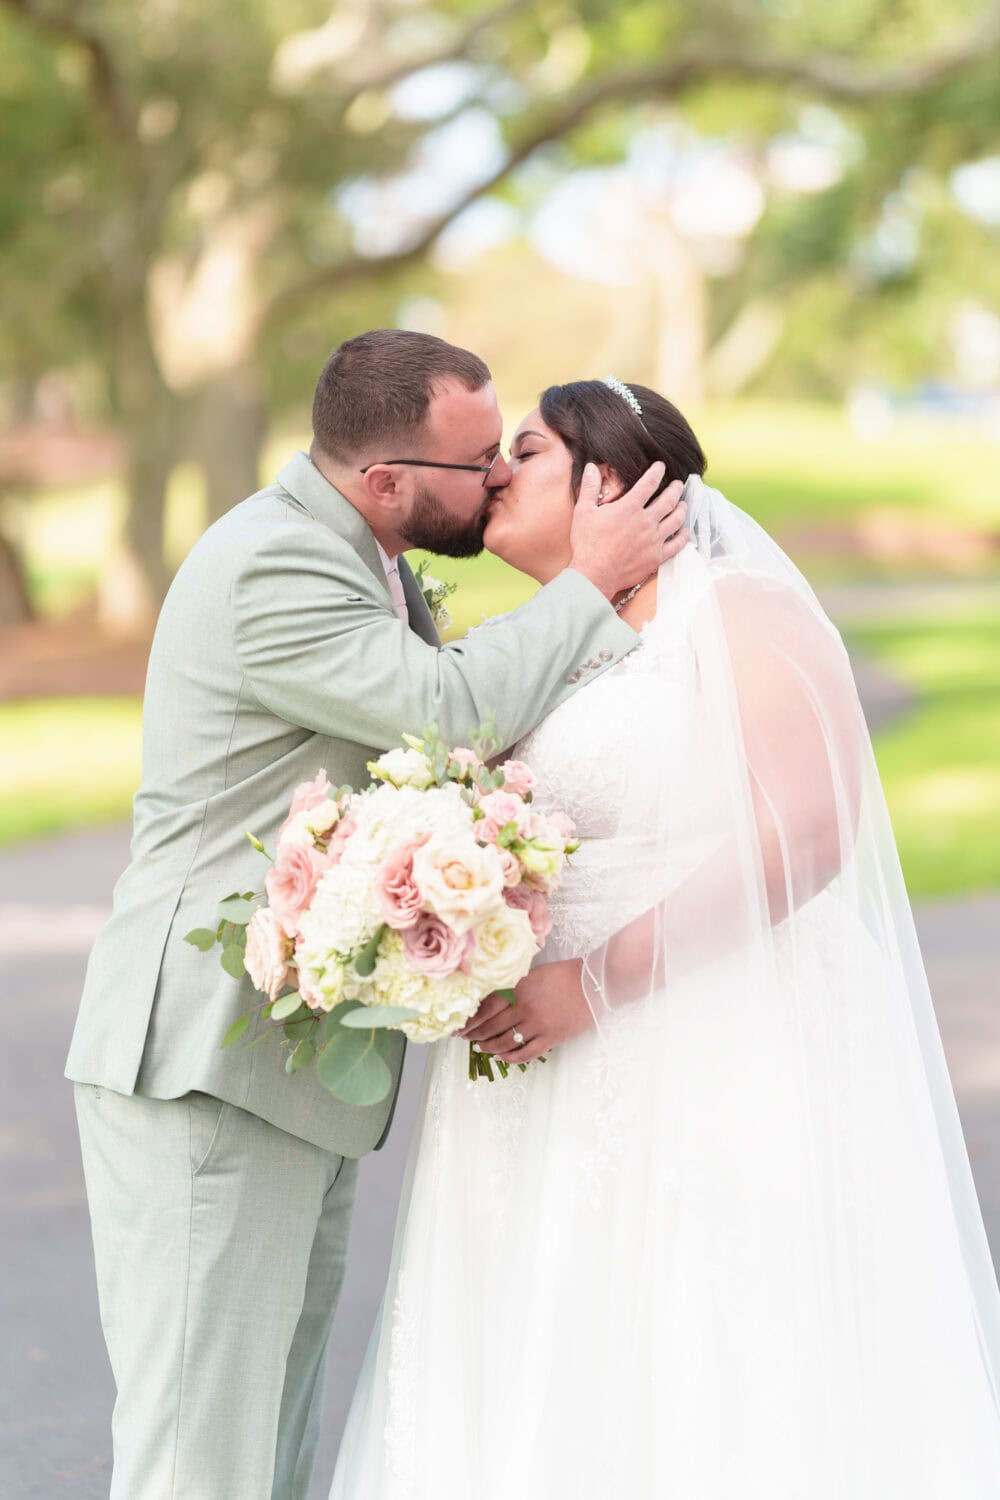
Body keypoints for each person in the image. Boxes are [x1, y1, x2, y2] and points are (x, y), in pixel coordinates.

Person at [329, 377, 1000, 1498]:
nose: (494, 470)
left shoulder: (733, 608)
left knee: (708, 1332)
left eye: (527, 451)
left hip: (716, 1031)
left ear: (612, 481)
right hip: (530, 1057)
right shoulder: (523, 646)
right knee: (543, 1334)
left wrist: (589, 986)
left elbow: (809, 830)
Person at [65, 333, 690, 1500]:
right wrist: (587, 582)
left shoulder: (368, 558)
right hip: (205, 1062)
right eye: (476, 463)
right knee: (197, 1458)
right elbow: (441, 714)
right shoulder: (274, 565)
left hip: (292, 1064)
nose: (499, 479)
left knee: (271, 1444)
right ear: (388, 482)